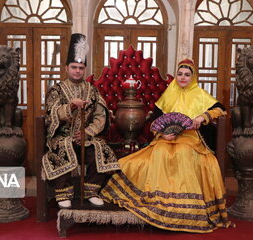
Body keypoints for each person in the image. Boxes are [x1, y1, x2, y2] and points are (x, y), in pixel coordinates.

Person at [100, 59, 231, 233]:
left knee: (183, 153)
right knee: (160, 151)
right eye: (180, 74)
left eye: (187, 74)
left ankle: (184, 208)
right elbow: (155, 121)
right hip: (167, 138)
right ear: (176, 76)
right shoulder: (168, 94)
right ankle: (158, 201)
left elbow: (220, 109)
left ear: (193, 77)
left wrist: (202, 117)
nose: (183, 78)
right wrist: (162, 133)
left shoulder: (200, 95)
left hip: (190, 138)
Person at [42, 33, 120, 209]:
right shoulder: (56, 90)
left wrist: (88, 132)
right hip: (63, 136)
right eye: (74, 67)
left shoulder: (92, 90)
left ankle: (92, 191)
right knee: (62, 147)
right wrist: (70, 107)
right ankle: (63, 193)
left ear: (85, 69)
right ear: (66, 68)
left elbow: (101, 115)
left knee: (102, 149)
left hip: (86, 137)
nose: (77, 70)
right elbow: (51, 112)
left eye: (81, 67)